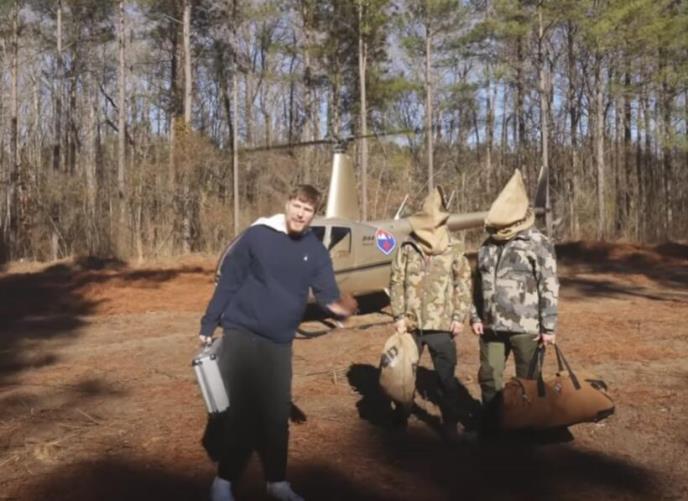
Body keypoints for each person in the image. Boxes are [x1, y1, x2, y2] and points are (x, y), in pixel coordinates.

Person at [199, 185, 357, 501]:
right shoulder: (258, 235)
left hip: (279, 341)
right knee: (243, 411)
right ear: (287, 204)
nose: (300, 213)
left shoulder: (316, 250)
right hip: (242, 331)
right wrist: (209, 322)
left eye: (308, 210)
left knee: (275, 413)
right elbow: (230, 279)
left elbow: (326, 294)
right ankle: (223, 482)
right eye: (297, 205)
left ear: (314, 215)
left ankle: (277, 482)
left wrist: (339, 308)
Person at [470, 169, 559, 417]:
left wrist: (549, 327)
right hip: (491, 327)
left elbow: (549, 284)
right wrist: (475, 316)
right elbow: (477, 284)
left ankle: (526, 430)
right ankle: (492, 425)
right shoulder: (487, 246)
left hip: (527, 329)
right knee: (489, 378)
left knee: (528, 384)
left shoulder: (537, 243)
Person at [389, 187, 473, 440]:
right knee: (403, 377)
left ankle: (450, 423)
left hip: (442, 326)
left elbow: (463, 283)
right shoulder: (407, 247)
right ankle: (400, 421)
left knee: (446, 380)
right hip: (410, 325)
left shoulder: (454, 248)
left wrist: (459, 317)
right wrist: (398, 316)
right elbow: (396, 281)